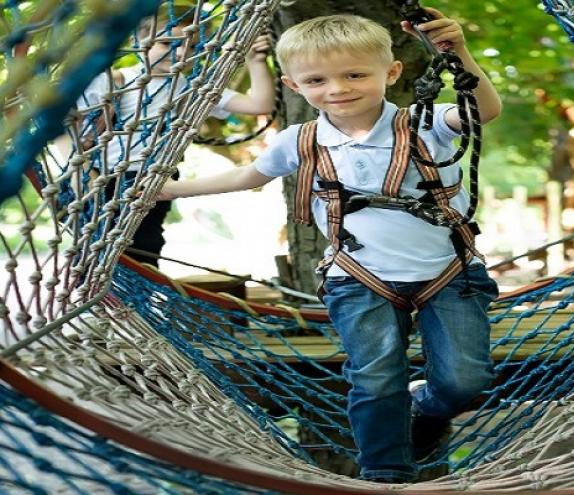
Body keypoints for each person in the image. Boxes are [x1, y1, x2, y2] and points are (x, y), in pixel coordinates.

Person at [158, 8, 502, 483]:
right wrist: (169, 190)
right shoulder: (299, 140)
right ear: (295, 86)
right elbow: (244, 176)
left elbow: (482, 110)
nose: (338, 89)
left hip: (448, 272)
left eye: (355, 74)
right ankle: (385, 474)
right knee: (376, 377)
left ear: (392, 72)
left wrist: (455, 51)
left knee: (465, 381)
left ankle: (427, 404)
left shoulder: (426, 123)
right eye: (317, 80)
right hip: (358, 276)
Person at [70, 4, 275, 266]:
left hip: (152, 179)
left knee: (144, 244)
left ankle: (133, 300)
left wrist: (255, 62)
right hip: (103, 177)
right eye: (167, 43)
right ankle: (108, 296)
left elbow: (258, 105)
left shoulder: (194, 89)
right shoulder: (116, 81)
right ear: (138, 41)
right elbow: (76, 135)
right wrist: (85, 175)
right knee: (95, 248)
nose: (179, 53)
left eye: (190, 47)